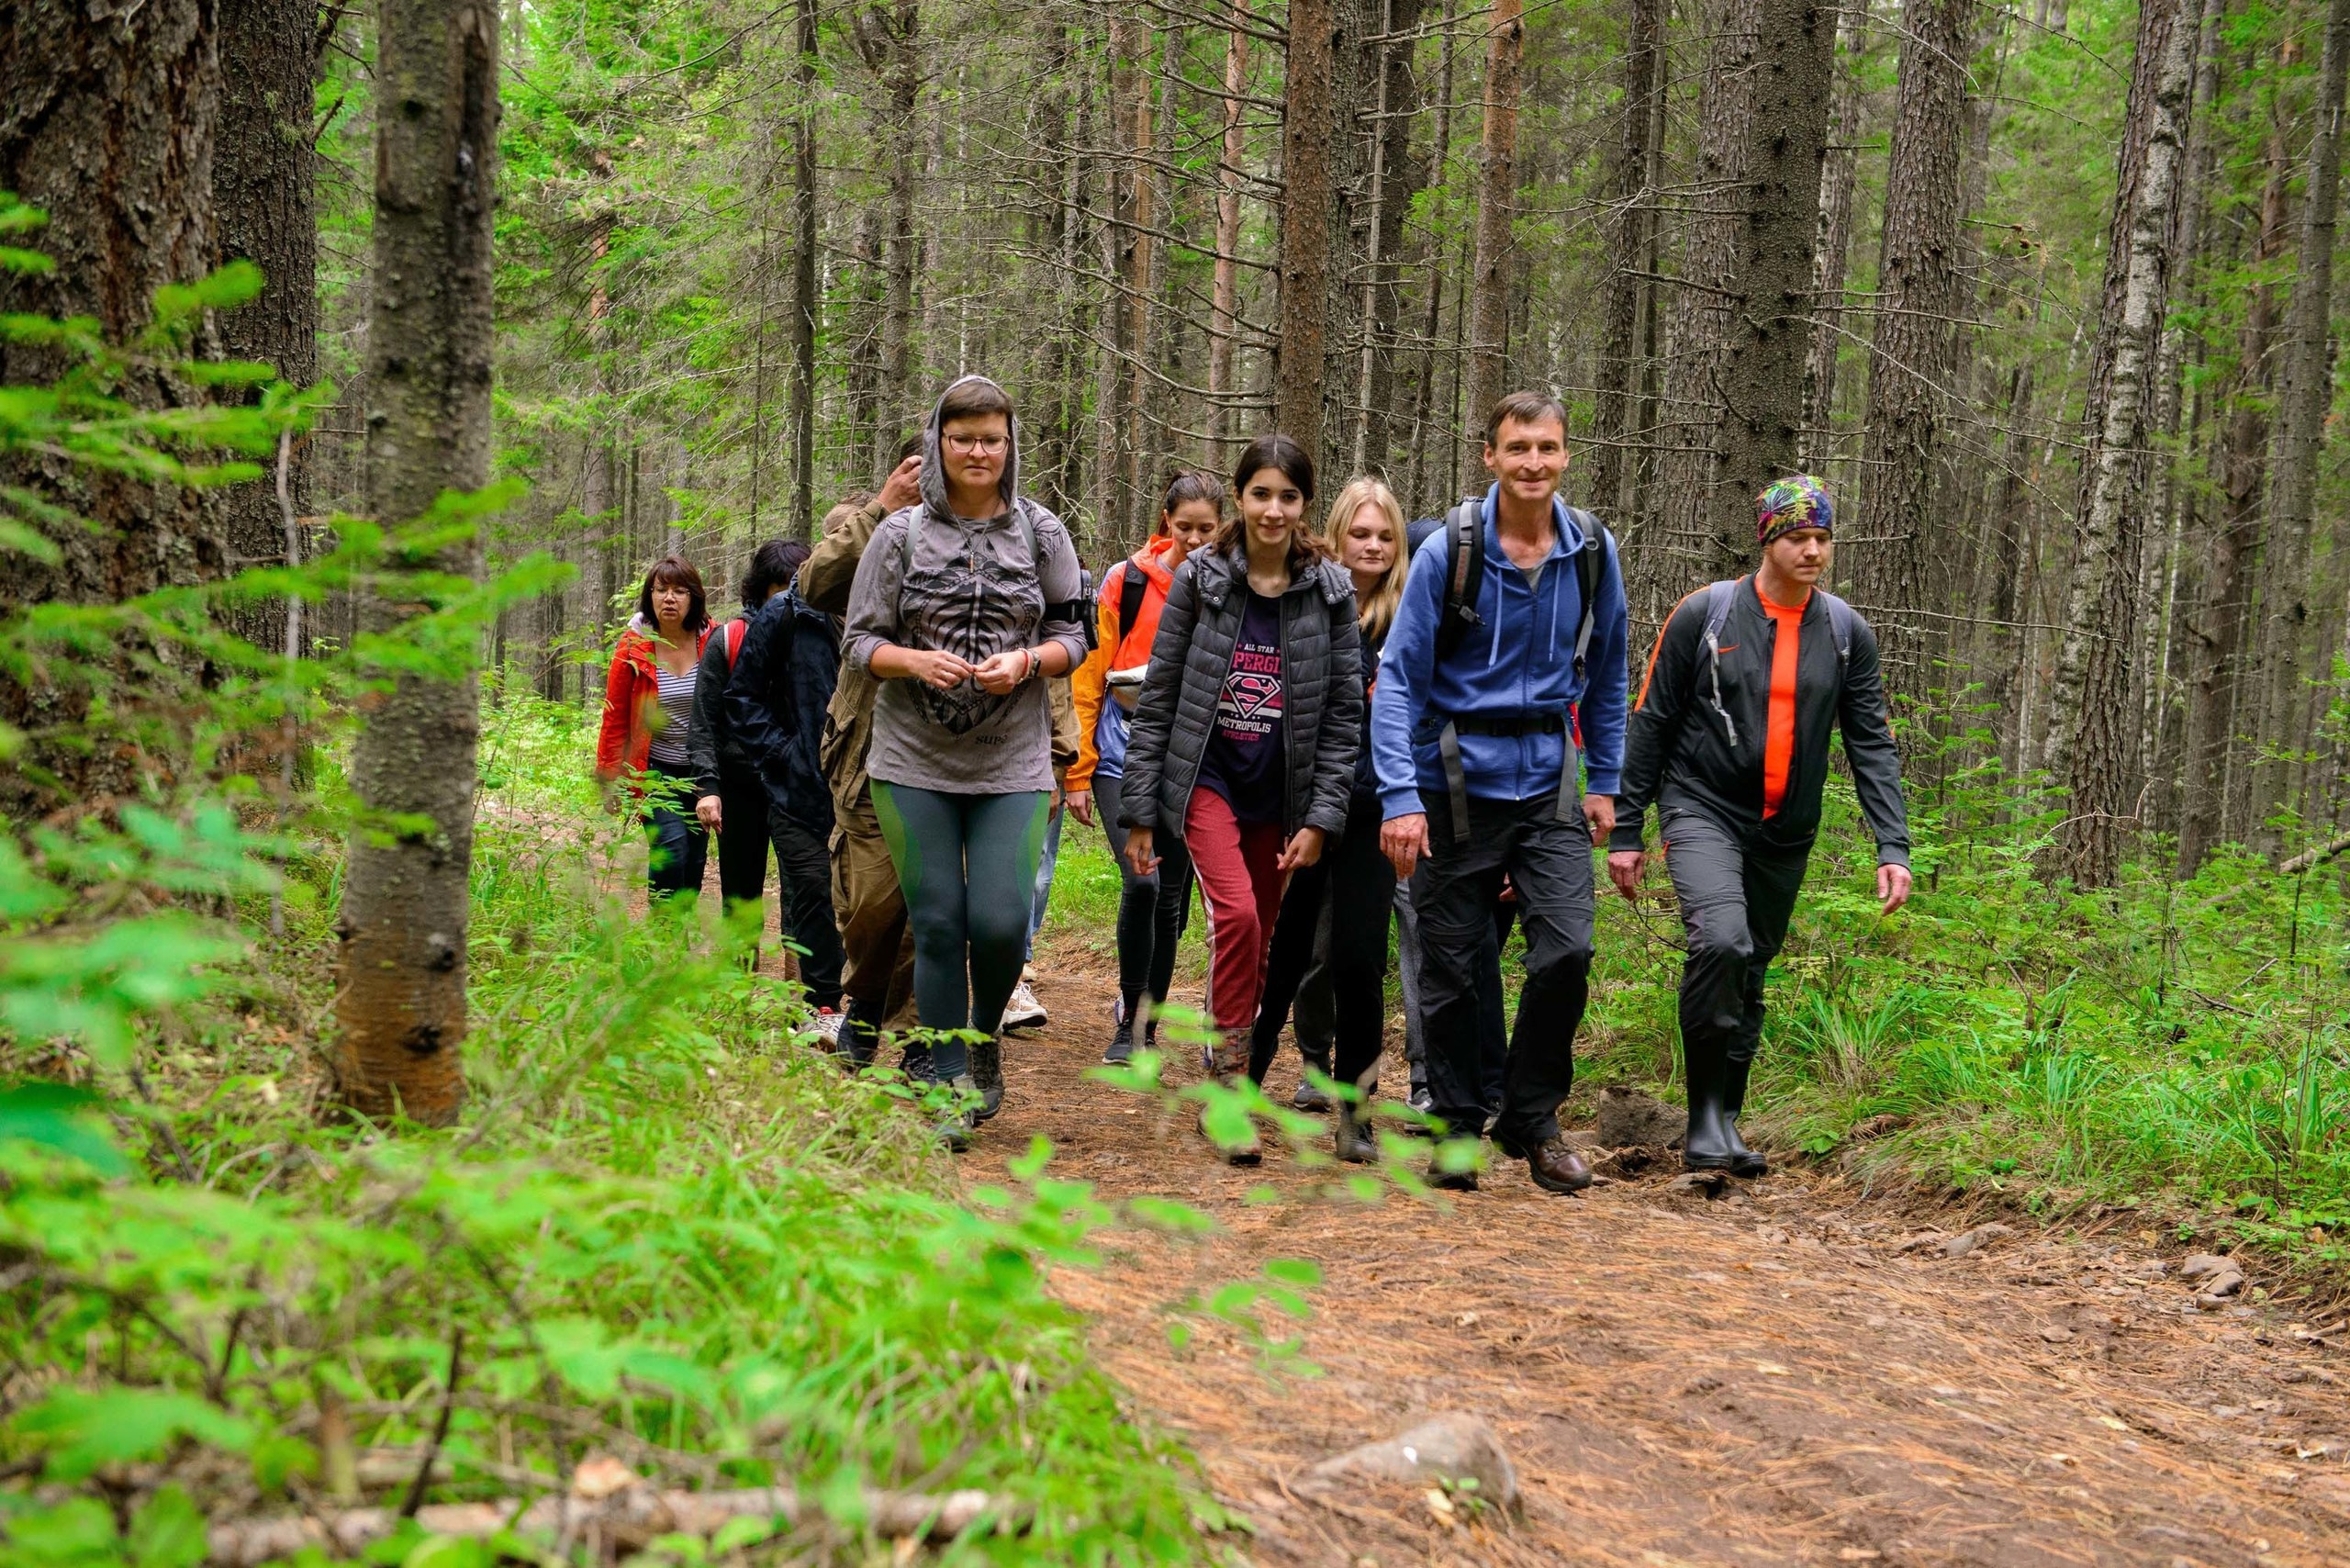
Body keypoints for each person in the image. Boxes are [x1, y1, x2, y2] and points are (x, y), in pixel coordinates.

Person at [1608, 475, 1911, 1178]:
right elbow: (1651, 722)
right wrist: (1627, 831)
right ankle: (1706, 1117)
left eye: (1822, 539)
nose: (1812, 551)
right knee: (1722, 940)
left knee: (1751, 967)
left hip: (1787, 828)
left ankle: (1725, 1119)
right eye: (1797, 537)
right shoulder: (1706, 614)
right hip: (1700, 805)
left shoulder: (1843, 633)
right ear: (1768, 540)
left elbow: (1871, 742)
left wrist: (1891, 845)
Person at [1373, 391, 1629, 1195]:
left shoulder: (1590, 549)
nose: (1533, 464)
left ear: (1564, 455)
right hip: (1450, 781)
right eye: (1518, 448)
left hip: (1548, 778)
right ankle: (1455, 1128)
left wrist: (1608, 782)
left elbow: (1611, 674)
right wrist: (1397, 799)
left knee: (1569, 950)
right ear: (1489, 455)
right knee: (1450, 967)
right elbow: (1398, 680)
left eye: (1547, 448)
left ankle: (1531, 1116)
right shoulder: (1451, 548)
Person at [842, 375, 1088, 1149]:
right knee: (941, 922)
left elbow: (1075, 633)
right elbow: (858, 641)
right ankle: (948, 1076)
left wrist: (1028, 662)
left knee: (1002, 919)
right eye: (963, 437)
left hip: (1011, 761)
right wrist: (912, 662)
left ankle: (982, 1044)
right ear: (937, 443)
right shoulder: (899, 535)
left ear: (1010, 447)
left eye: (992, 438)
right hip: (912, 760)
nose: (978, 451)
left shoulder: (1042, 533)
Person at [1120, 433, 1362, 1166]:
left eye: (1288, 496)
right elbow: (1160, 694)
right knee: (1240, 915)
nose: (1274, 509)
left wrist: (1324, 816)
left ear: (1304, 504)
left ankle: (1224, 1048)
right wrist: (1139, 810)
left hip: (1282, 794)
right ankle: (1227, 1089)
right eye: (1261, 493)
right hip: (1207, 780)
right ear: (1240, 496)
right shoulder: (1203, 579)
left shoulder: (1331, 589)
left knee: (1256, 939)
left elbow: (1347, 711)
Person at [1245, 476, 1409, 1161]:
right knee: (1283, 952)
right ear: (1335, 538)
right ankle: (1241, 1089)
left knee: (1359, 958)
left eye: (1384, 537)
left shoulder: (1410, 617)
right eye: (1359, 534)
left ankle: (1355, 1115)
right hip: (1307, 804)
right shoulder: (1309, 606)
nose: (1371, 547)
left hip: (1374, 808)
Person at [1067, 471, 1223, 1062]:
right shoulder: (1125, 581)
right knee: (1144, 881)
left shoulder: (1229, 587)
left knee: (1171, 899)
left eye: (1208, 530)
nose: (1196, 540)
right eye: (1185, 529)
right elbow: (1089, 673)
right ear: (1166, 524)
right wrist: (1078, 768)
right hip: (1119, 756)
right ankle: (1129, 1020)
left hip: (1195, 762)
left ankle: (1147, 1023)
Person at [800, 440, 927, 1072]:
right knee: (871, 903)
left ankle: (916, 1037)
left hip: (957, 753)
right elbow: (815, 583)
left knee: (933, 903)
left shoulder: (1002, 534)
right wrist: (883, 508)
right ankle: (868, 1005)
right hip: (869, 743)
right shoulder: (877, 526)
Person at [705, 539, 847, 1038]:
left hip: (834, 781)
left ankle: (816, 998)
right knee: (764, 888)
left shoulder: (862, 613)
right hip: (764, 781)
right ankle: (760, 995)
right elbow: (722, 710)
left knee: (823, 895)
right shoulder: (757, 626)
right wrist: (779, 754)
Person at [595, 557, 715, 902]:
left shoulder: (712, 642)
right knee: (671, 847)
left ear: (694, 597)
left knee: (694, 857)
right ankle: (663, 938)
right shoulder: (633, 647)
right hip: (654, 771)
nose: (669, 598)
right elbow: (615, 716)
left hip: (700, 773)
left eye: (679, 590)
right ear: (650, 596)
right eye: (661, 590)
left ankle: (679, 938)